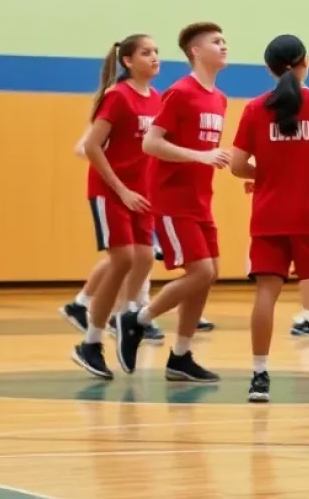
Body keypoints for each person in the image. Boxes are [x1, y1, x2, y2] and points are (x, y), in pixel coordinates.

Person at [229, 34, 309, 403]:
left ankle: (259, 377)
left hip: (268, 215)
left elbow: (238, 166)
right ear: (305, 61)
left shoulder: (255, 109)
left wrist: (267, 177)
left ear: (269, 69)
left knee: (266, 293)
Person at [116, 22, 230, 382]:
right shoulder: (181, 92)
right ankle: (137, 319)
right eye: (216, 42)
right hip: (172, 199)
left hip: (200, 200)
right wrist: (199, 156)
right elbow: (151, 143)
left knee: (208, 277)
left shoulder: (219, 98)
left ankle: (180, 356)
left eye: (224, 41)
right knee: (201, 272)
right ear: (196, 51)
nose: (224, 46)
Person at [70, 35, 161, 379]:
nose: (154, 57)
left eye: (156, 52)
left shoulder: (158, 99)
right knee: (122, 258)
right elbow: (92, 147)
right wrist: (121, 190)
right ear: (127, 61)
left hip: (141, 193)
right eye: (146, 52)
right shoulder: (117, 97)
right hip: (110, 191)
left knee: (145, 257)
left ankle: (126, 315)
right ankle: (90, 342)